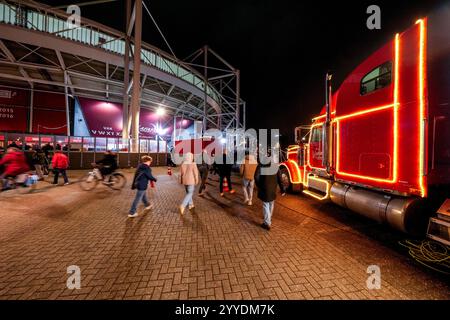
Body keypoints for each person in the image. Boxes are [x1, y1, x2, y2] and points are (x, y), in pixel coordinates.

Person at [254, 162, 280, 231]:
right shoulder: (275, 165)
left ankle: (267, 223)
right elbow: (279, 177)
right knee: (271, 203)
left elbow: (256, 176)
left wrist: (259, 185)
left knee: (266, 204)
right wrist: (282, 188)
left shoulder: (261, 164)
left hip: (265, 188)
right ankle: (269, 218)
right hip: (273, 188)